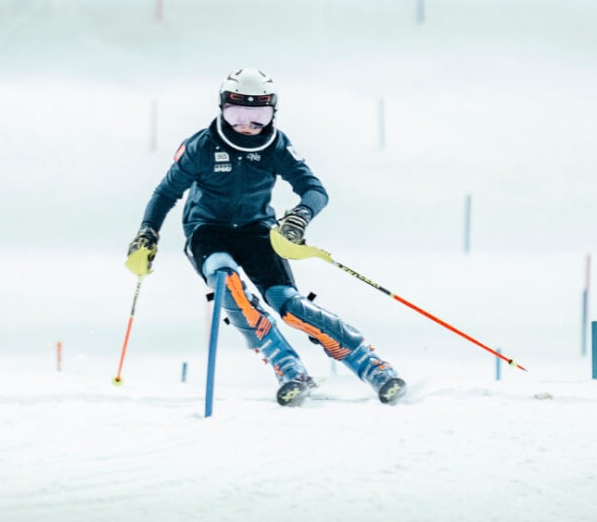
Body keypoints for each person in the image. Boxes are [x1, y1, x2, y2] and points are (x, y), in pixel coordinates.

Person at [125, 67, 406, 406]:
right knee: (225, 279)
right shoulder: (201, 146)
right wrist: (147, 233)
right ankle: (287, 366)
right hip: (207, 231)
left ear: (272, 112)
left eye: (257, 115)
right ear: (222, 109)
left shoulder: (277, 145)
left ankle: (370, 364)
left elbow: (314, 190)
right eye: (237, 113)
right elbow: (165, 194)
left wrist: (300, 217)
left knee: (289, 306)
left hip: (257, 231)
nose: (246, 124)